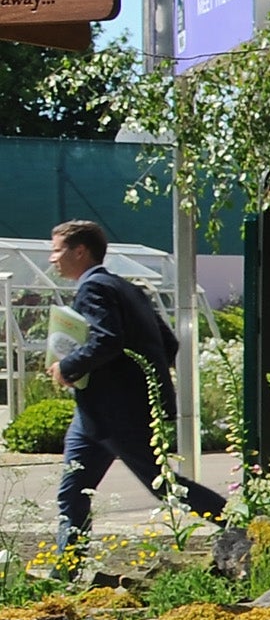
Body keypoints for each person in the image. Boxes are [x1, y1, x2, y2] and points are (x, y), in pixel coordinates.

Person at [43, 221, 225, 548]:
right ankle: (65, 570)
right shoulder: (127, 288)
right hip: (98, 412)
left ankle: (245, 526)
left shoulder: (93, 288)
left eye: (57, 250)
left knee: (165, 485)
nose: (52, 259)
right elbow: (167, 343)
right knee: (73, 490)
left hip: (116, 412)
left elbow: (107, 339)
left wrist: (68, 366)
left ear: (80, 251)